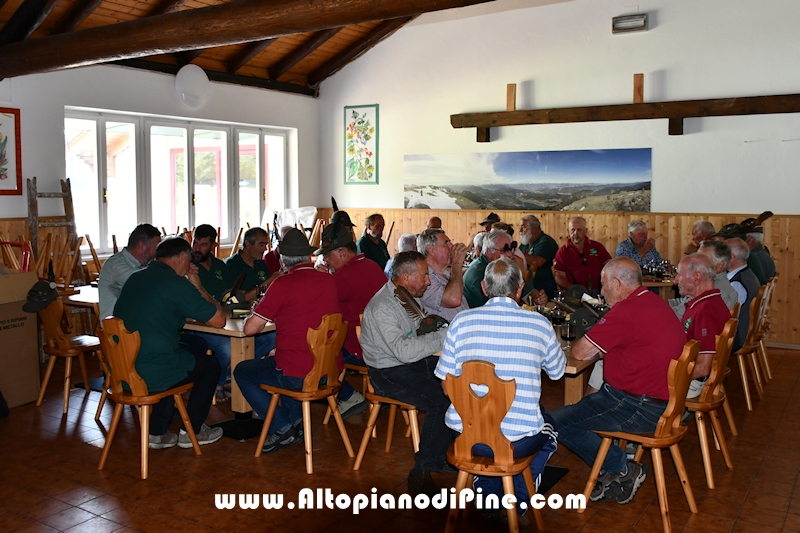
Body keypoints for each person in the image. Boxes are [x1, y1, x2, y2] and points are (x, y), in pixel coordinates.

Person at [434, 257, 565, 521]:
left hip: (465, 438)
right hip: (515, 442)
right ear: (519, 290)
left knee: (495, 423)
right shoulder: (540, 324)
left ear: (484, 287)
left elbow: (446, 385)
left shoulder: (461, 322)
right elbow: (557, 372)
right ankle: (517, 499)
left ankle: (489, 495)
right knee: (550, 428)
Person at [551, 257, 685, 505]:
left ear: (616, 283)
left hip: (637, 407)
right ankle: (610, 472)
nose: (601, 292)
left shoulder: (625, 311)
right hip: (663, 403)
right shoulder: (655, 303)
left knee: (557, 422)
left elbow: (580, 353)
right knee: (582, 408)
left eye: (603, 286)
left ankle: (623, 468)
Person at [114, 237, 227, 449]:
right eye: (189, 260)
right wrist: (198, 286)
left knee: (192, 346)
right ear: (183, 257)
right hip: (150, 372)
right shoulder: (176, 284)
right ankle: (191, 431)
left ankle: (157, 432)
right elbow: (219, 321)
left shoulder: (135, 278)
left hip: (123, 370)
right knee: (211, 365)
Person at [234, 229, 340, 454]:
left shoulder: (282, 285)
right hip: (327, 369)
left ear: (282, 259)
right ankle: (297, 424)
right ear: (308, 257)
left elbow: (250, 329)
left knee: (244, 370)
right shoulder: (328, 281)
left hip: (297, 373)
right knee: (281, 361)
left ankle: (282, 426)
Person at [360, 251, 450, 497]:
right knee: (440, 401)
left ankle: (445, 453)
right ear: (407, 276)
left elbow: (418, 336)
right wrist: (445, 336)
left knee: (458, 383)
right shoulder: (383, 307)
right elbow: (404, 352)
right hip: (387, 372)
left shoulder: (404, 296)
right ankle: (421, 471)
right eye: (424, 276)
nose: (428, 281)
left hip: (412, 363)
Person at [189, 224, 276, 402]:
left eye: (203, 244)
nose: (197, 249)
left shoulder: (220, 266)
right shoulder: (190, 268)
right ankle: (220, 380)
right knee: (228, 349)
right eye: (195, 243)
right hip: (199, 323)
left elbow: (232, 295)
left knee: (272, 336)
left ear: (214, 245)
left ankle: (231, 373)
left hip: (226, 317)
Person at [315, 222, 387, 418]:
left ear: (341, 253)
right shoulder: (371, 265)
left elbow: (318, 306)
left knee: (310, 358)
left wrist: (321, 281)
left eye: (327, 256)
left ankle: (348, 396)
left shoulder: (344, 276)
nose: (326, 260)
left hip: (361, 348)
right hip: (384, 344)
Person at [673, 254, 731, 398]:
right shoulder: (708, 302)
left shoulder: (706, 311)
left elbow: (703, 368)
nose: (675, 281)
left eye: (679, 275)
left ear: (696, 278)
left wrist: (668, 376)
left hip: (693, 383)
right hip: (692, 375)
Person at [98, 223, 161, 320]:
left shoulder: (146, 264)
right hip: (117, 332)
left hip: (133, 327)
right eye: (157, 248)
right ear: (141, 247)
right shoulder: (116, 265)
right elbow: (149, 286)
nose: (159, 252)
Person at [669, 240, 737, 319]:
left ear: (720, 265)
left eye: (704, 259)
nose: (694, 263)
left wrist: (658, 309)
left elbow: (681, 315)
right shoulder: (708, 282)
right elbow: (684, 302)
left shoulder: (715, 291)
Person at [417, 228, 469, 322]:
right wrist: (456, 265)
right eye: (446, 243)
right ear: (431, 250)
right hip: (448, 334)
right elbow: (454, 300)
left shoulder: (445, 273)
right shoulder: (424, 278)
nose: (451, 246)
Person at [554, 216, 612, 291]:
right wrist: (572, 288)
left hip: (599, 293)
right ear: (568, 231)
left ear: (586, 231)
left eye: (579, 230)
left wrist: (606, 286)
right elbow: (559, 276)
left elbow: (610, 266)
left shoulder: (597, 246)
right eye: (573, 230)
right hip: (573, 295)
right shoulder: (563, 251)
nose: (575, 233)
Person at [226, 227, 282, 302]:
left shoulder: (261, 263)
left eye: (266, 245)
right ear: (248, 244)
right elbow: (242, 298)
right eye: (261, 245)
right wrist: (270, 280)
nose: (265, 249)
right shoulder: (232, 264)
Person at [462, 229, 515, 308]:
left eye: (511, 250)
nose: (511, 255)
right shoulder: (479, 275)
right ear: (489, 252)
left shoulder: (500, 268)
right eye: (505, 250)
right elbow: (500, 307)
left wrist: (538, 296)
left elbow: (527, 291)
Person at [726, 237, 760, 350]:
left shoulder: (737, 284)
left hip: (737, 337)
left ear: (731, 258)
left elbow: (726, 316)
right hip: (744, 332)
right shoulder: (748, 274)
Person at [518, 214, 559, 299]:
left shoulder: (546, 241)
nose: (520, 230)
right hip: (527, 285)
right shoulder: (524, 244)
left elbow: (538, 262)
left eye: (523, 227)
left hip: (543, 287)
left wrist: (516, 254)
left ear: (533, 228)